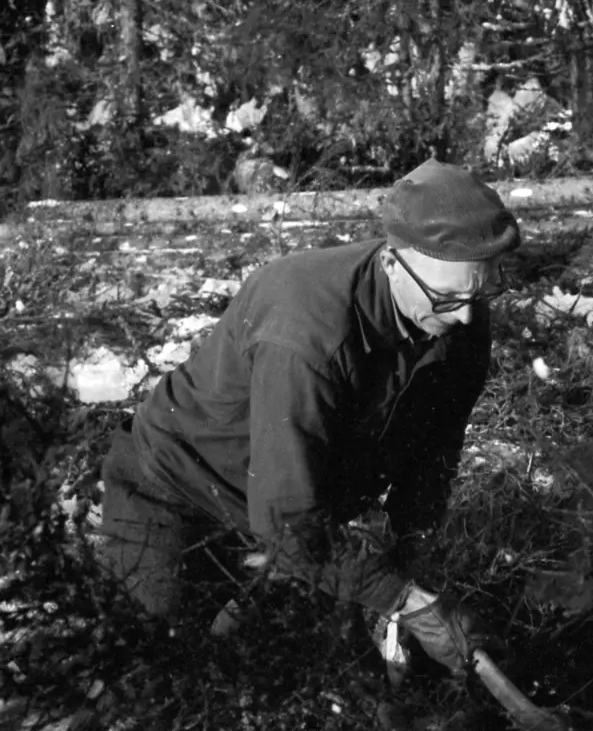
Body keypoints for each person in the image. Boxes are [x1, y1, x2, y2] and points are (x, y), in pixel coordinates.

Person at [98, 159, 521, 675]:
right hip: (176, 489)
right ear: (392, 264)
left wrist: (414, 563)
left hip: (290, 509)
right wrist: (404, 600)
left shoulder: (462, 318)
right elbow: (288, 524)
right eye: (450, 298)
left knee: (295, 681)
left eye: (483, 294)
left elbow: (434, 453)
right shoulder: (307, 335)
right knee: (154, 680)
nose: (467, 317)